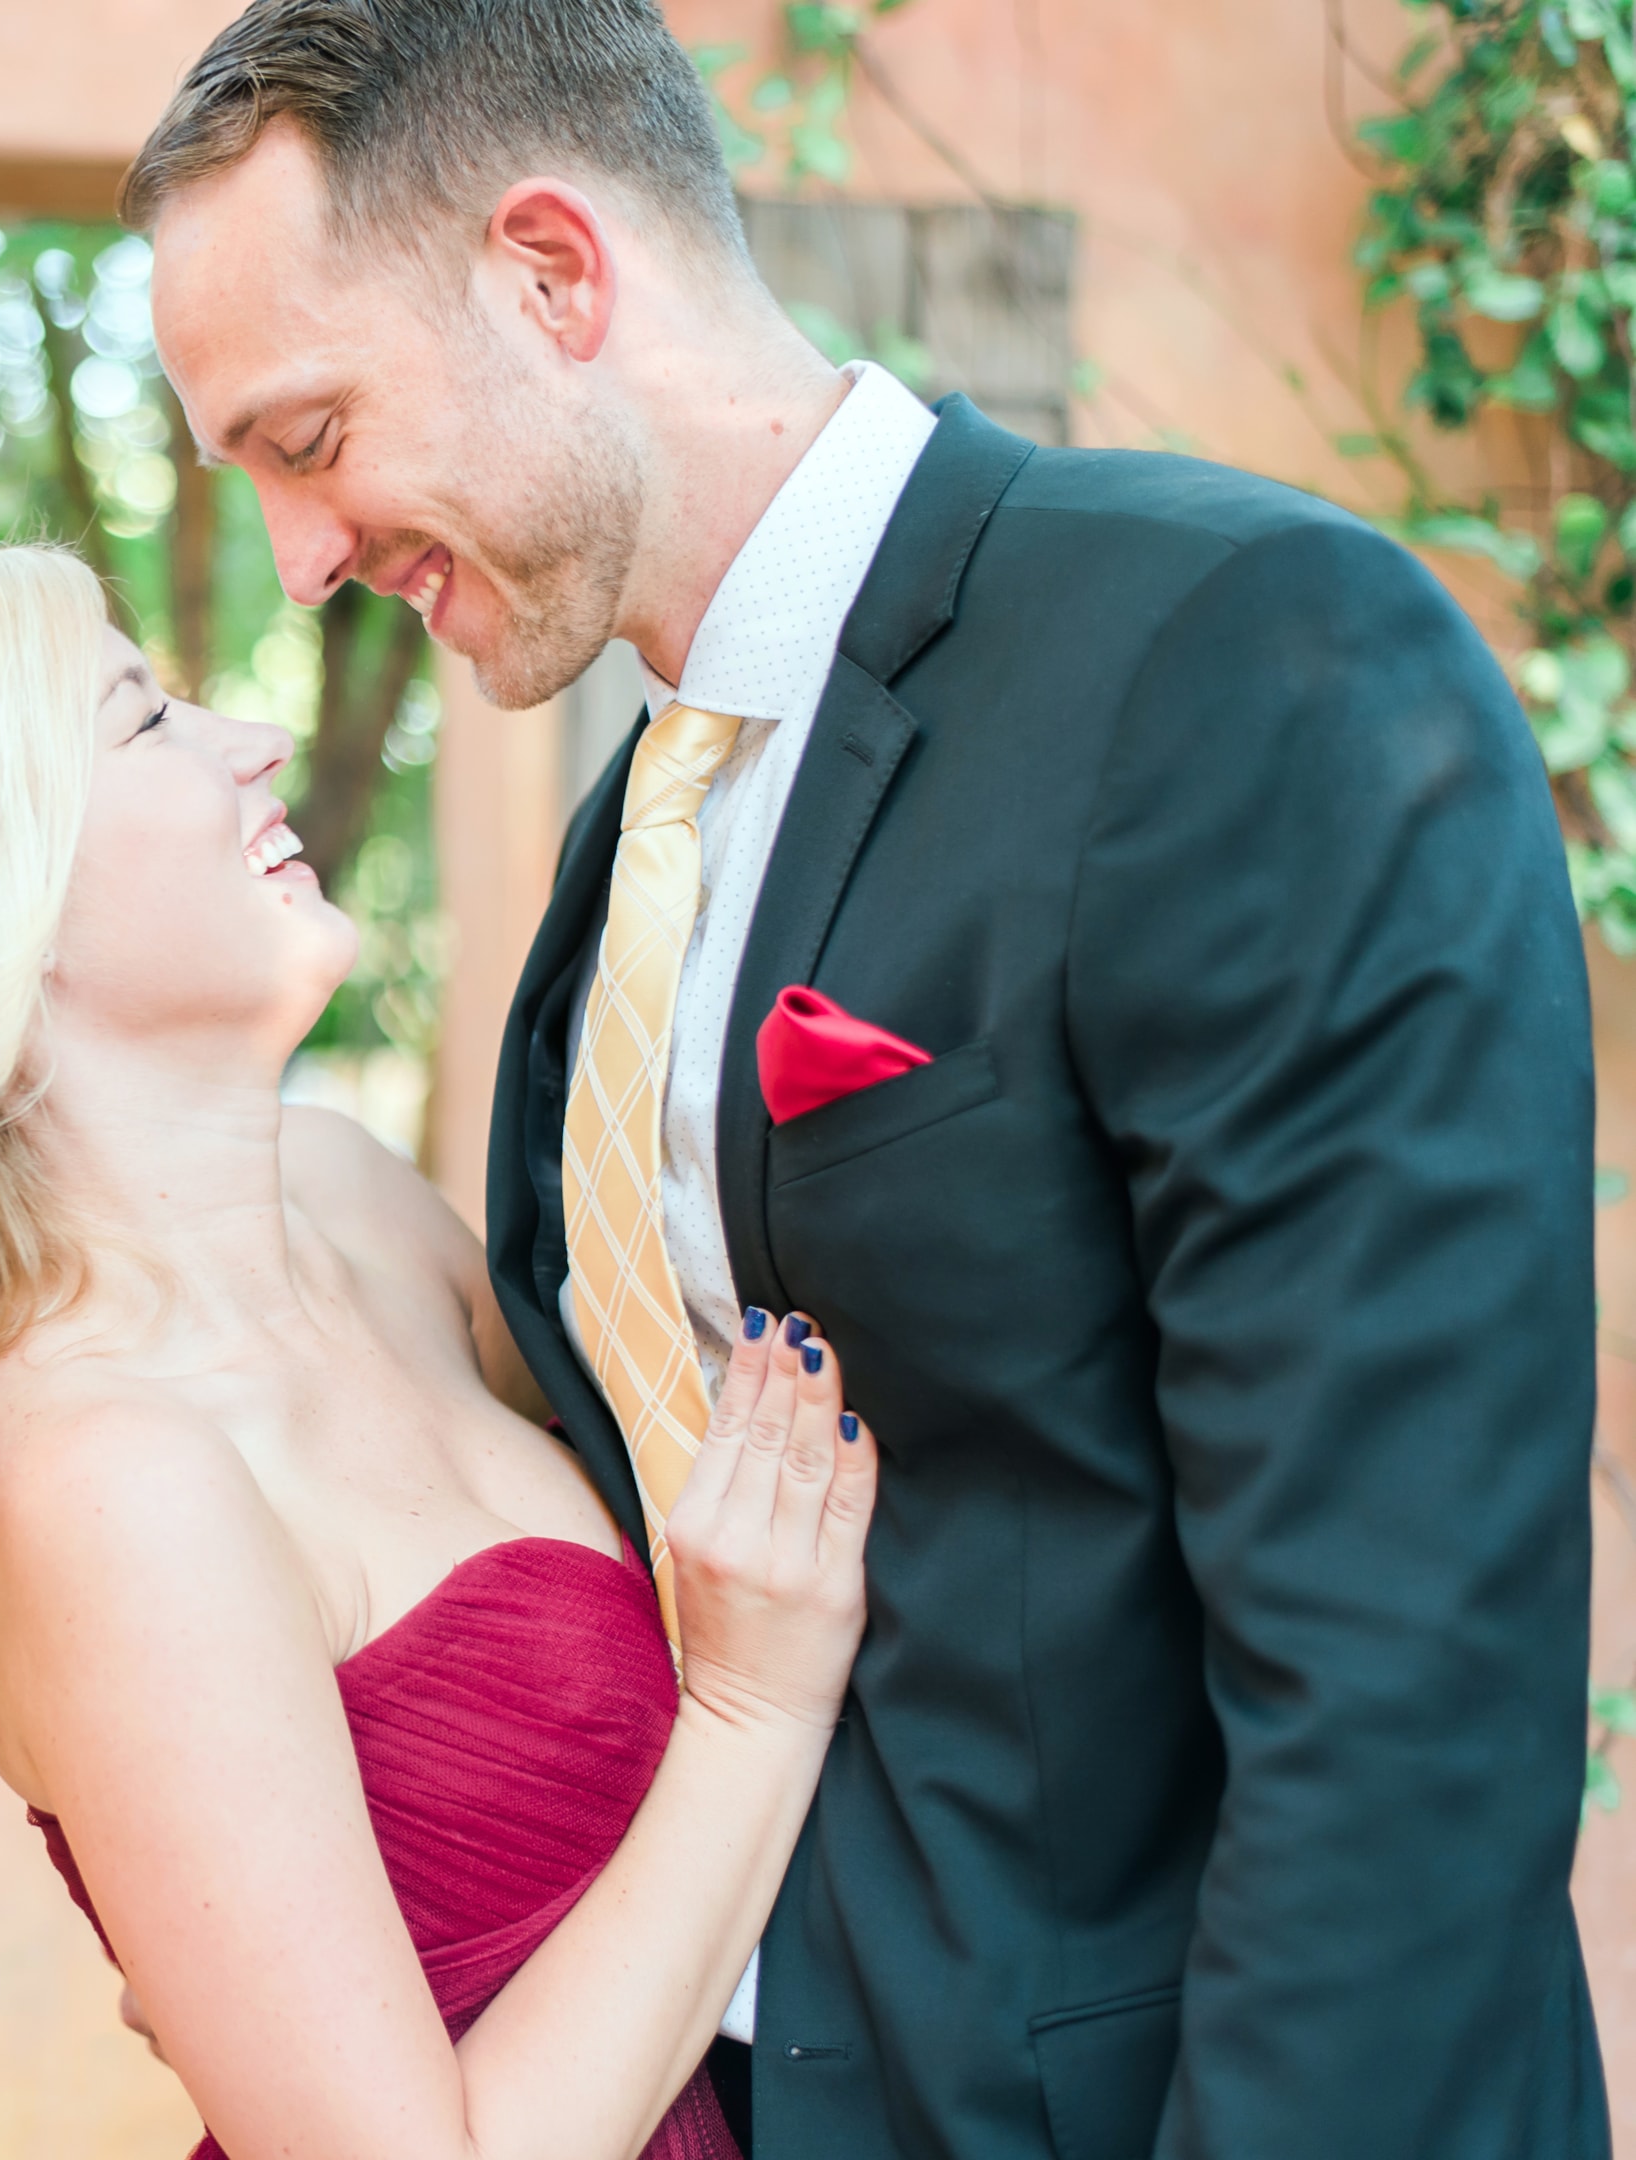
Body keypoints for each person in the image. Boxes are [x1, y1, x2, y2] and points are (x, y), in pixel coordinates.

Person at [119, 1, 1605, 2155]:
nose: (301, 555)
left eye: (307, 434)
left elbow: (1405, 1715)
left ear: (553, 274)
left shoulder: (1241, 661)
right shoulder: (618, 861)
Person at [0, 540, 887, 2160]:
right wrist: (753, 1710)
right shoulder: (99, 1476)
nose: (245, 737)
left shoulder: (356, 1209)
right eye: (141, 720)